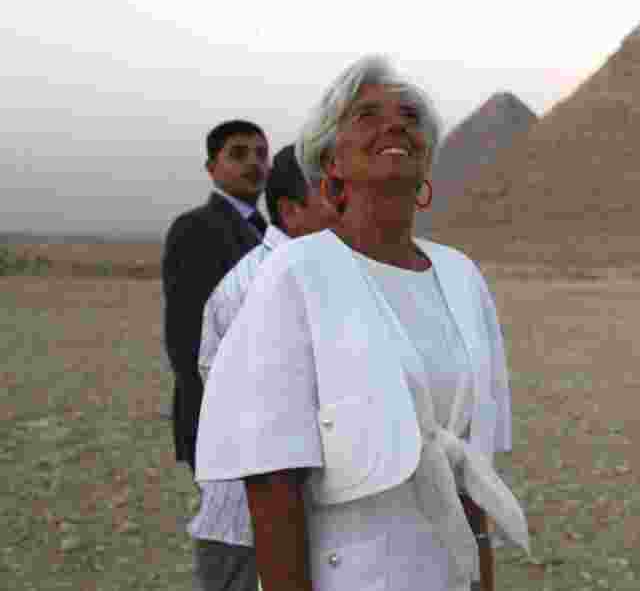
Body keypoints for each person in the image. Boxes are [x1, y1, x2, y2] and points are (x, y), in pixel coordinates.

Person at [196, 55, 529, 591]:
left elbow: (471, 469)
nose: (395, 123)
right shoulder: (299, 271)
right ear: (330, 161)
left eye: (409, 116)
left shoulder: (462, 276)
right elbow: (272, 485)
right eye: (368, 115)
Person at [188, 144, 341, 591]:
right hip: (252, 526)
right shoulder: (263, 285)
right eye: (333, 192)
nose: (350, 205)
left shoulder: (311, 272)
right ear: (292, 211)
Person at [162, 120, 269, 588]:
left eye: (261, 153)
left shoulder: (268, 229)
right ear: (212, 167)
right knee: (233, 550)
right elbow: (186, 338)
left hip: (263, 416)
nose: (253, 163)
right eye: (239, 153)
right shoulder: (195, 229)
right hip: (220, 420)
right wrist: (223, 420)